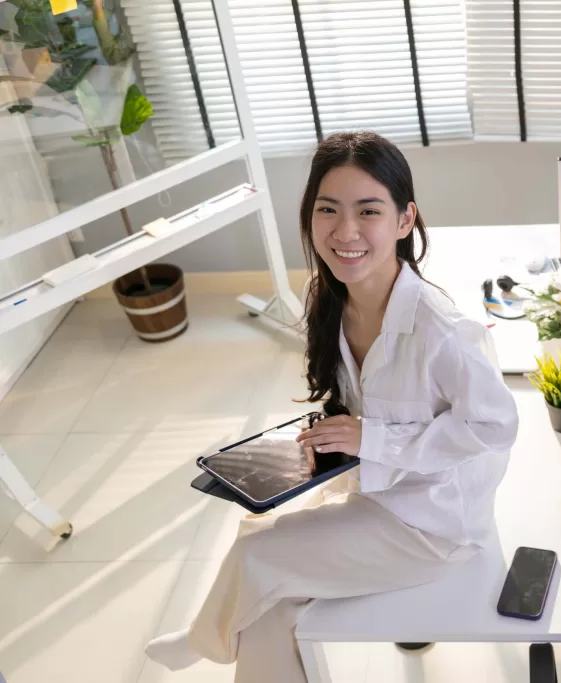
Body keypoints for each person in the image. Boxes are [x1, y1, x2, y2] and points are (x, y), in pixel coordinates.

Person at [145, 131, 519, 682]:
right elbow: (357, 404)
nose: (345, 232)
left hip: (432, 527)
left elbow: (496, 426)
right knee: (266, 597)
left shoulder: (444, 332)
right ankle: (216, 634)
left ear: (404, 219)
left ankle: (203, 639)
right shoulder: (326, 297)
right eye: (327, 210)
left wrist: (370, 439)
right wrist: (328, 441)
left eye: (368, 210)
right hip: (376, 491)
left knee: (257, 558)